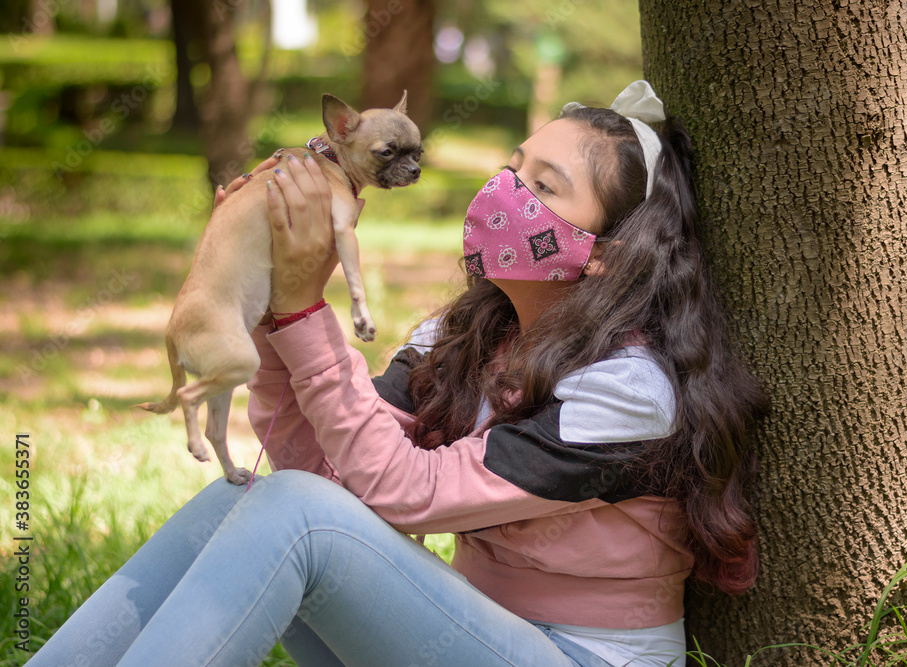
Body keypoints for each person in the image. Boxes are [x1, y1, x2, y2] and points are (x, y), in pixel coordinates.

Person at [27, 81, 768, 667]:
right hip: (465, 630)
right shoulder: (463, 339)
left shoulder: (626, 388)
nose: (504, 191)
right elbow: (324, 471)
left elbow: (410, 492)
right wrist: (267, 295)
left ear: (603, 252)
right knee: (243, 499)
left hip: (577, 653)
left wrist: (304, 311)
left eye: (542, 188)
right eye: (512, 165)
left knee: (299, 516)